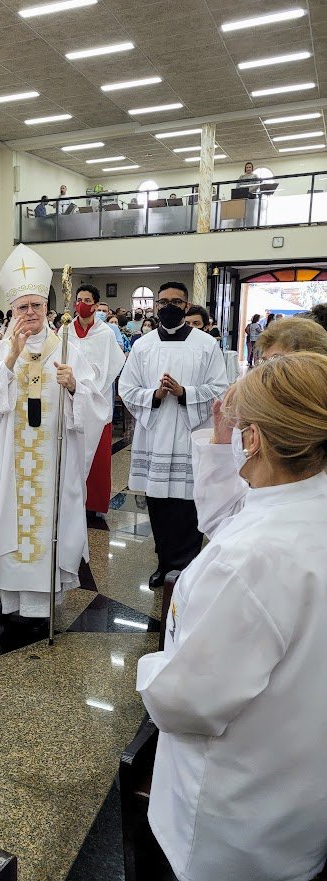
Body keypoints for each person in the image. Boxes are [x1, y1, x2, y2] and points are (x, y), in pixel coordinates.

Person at [137, 352, 327, 881]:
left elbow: (186, 702)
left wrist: (152, 671)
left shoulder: (251, 558)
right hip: (302, 789)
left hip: (235, 814)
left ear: (258, 438)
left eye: (242, 426)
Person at [0, 245, 109, 627]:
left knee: (47, 525)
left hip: (52, 462)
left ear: (47, 309)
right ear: (11, 312)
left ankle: (42, 606)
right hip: (11, 460)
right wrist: (9, 360)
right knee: (9, 521)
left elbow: (94, 404)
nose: (30, 314)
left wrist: (74, 388)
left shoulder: (66, 348)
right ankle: (11, 599)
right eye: (22, 307)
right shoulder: (0, 351)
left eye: (36, 306)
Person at [118, 281, 228, 588]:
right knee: (159, 505)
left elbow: (221, 390)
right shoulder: (143, 344)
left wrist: (184, 393)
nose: (168, 307)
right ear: (155, 306)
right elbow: (126, 388)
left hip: (189, 436)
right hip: (154, 436)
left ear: (187, 305)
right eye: (163, 302)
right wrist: (154, 394)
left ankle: (187, 568)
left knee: (187, 505)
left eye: (175, 302)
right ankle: (164, 562)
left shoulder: (206, 345)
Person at [192, 317, 327, 539]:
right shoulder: (253, 424)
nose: (265, 377)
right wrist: (222, 444)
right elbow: (222, 519)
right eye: (263, 364)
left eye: (277, 365)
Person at [69, 284, 126, 517]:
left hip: (97, 398)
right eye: (79, 299)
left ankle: (93, 504)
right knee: (72, 451)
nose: (82, 304)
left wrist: (92, 386)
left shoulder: (105, 334)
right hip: (71, 397)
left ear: (96, 304)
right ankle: (71, 500)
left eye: (87, 300)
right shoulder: (65, 332)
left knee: (98, 455)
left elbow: (114, 364)